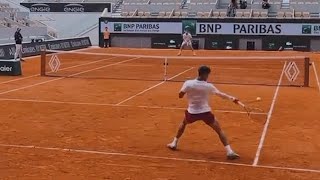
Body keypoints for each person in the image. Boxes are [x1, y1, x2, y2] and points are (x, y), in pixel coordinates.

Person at [167, 66, 240, 160]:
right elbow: (220, 94)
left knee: (184, 123)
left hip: (192, 112)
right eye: (208, 74)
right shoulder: (208, 86)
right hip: (205, 113)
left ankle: (174, 143)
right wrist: (233, 98)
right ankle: (229, 151)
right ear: (205, 74)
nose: (208, 76)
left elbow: (180, 95)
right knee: (219, 130)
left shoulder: (188, 83)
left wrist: (189, 93)